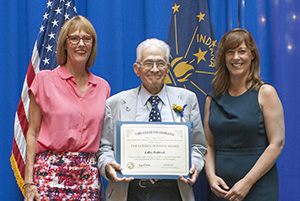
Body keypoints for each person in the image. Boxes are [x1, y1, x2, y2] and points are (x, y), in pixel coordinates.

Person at [97, 38, 207, 201]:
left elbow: (198, 145)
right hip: (129, 191)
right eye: (148, 63)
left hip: (174, 191)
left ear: (168, 68)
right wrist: (107, 165)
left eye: (160, 63)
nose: (155, 69)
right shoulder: (115, 103)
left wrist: (194, 165)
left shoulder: (187, 99)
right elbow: (103, 148)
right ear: (137, 68)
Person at [23, 15, 110, 201]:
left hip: (88, 178)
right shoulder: (44, 80)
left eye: (87, 39)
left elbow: (106, 139)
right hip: (49, 175)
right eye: (75, 38)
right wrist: (28, 182)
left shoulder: (103, 87)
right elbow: (32, 132)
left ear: (92, 45)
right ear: (64, 43)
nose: (81, 44)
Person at [203, 28, 285, 201]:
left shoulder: (266, 93)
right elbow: (208, 144)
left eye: (242, 51)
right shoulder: (212, 98)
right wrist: (211, 177)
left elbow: (276, 144)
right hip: (221, 189)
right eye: (230, 52)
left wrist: (247, 182)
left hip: (258, 186)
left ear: (252, 55)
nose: (236, 57)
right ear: (223, 57)